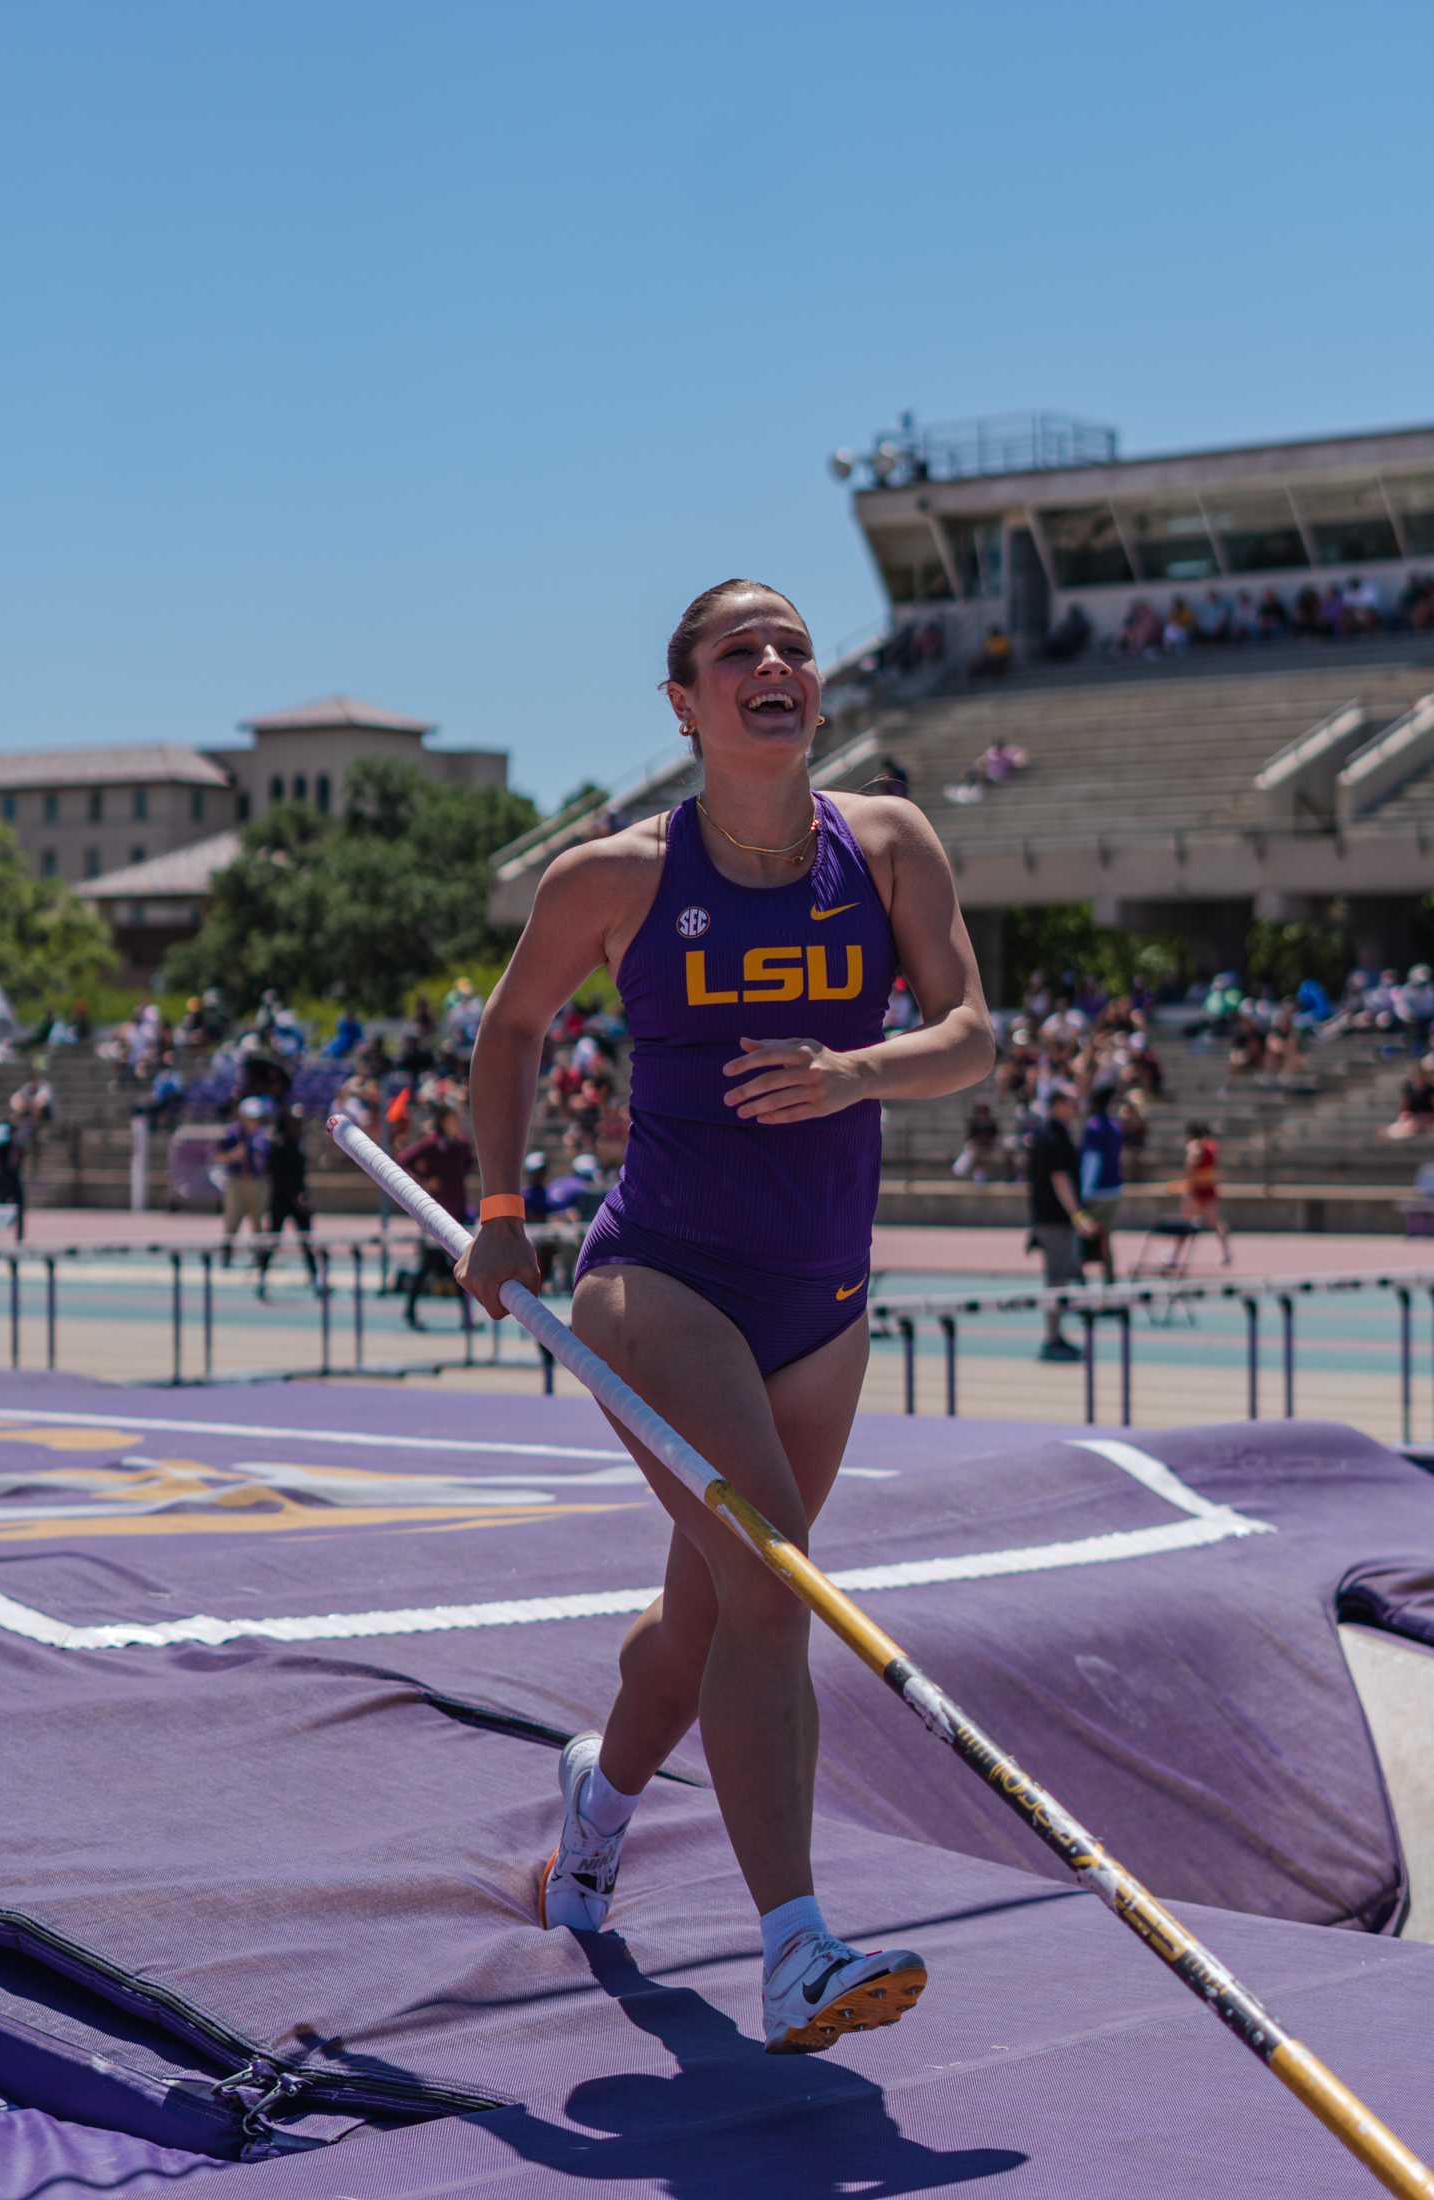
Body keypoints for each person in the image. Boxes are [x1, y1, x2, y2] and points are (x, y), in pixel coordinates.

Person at [455, 576, 993, 2055]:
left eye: (792, 647)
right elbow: (509, 1029)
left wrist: (851, 1073)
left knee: (704, 1621)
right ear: (683, 703)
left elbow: (967, 1036)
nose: (773, 663)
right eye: (735, 651)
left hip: (819, 1299)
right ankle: (793, 1950)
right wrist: (501, 1213)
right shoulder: (612, 877)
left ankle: (596, 1807)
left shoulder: (884, 846)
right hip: (658, 1282)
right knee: (770, 1580)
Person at [1027, 1084, 1097, 1360]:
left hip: (1052, 1218)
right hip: (1053, 1219)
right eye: (1070, 1101)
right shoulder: (1052, 1136)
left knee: (1060, 1278)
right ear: (1057, 1104)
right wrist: (1077, 1215)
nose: (1075, 1106)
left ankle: (1056, 1335)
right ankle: (1052, 1338)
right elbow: (1060, 1179)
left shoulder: (1053, 1133)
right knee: (1056, 1280)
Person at [396, 1101, 473, 1328]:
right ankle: (410, 1310)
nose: (457, 1123)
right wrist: (425, 1180)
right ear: (442, 1121)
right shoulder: (430, 1144)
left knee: (461, 1266)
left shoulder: (461, 1145)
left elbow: (467, 1166)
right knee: (427, 1265)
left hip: (457, 1215)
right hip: (435, 1216)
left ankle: (466, 1318)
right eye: (452, 1119)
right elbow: (403, 1161)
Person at [254, 1105, 324, 1297]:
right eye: (295, 1122)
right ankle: (261, 1277)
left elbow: (300, 1176)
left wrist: (303, 1197)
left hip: (299, 1201)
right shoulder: (278, 1145)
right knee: (272, 1240)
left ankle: (315, 1278)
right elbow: (277, 1176)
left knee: (307, 1241)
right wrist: (295, 1197)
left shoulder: (299, 1144)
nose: (299, 1126)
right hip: (281, 1201)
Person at [1078, 1083, 1124, 1285]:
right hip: (1114, 1189)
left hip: (1097, 1192)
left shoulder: (1093, 1126)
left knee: (1083, 1236)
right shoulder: (1115, 1127)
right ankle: (1110, 1278)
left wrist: (1084, 1193)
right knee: (1106, 1237)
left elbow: (1092, 1162)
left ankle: (1080, 1280)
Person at [217, 1097, 270, 1267]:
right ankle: (226, 1255)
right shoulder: (231, 1133)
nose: (253, 1121)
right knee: (232, 1220)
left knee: (258, 1221)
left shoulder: (262, 1135)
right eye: (249, 1117)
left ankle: (259, 1256)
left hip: (257, 1182)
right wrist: (234, 1155)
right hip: (236, 1182)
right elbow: (218, 1156)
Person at [1181, 1120, 1231, 1264]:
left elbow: (1191, 1165)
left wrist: (1188, 1184)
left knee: (1185, 1224)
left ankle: (1176, 1256)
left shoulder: (1194, 1146)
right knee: (1215, 1223)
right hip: (1208, 1190)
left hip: (1196, 1191)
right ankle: (1226, 1253)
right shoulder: (1211, 1147)